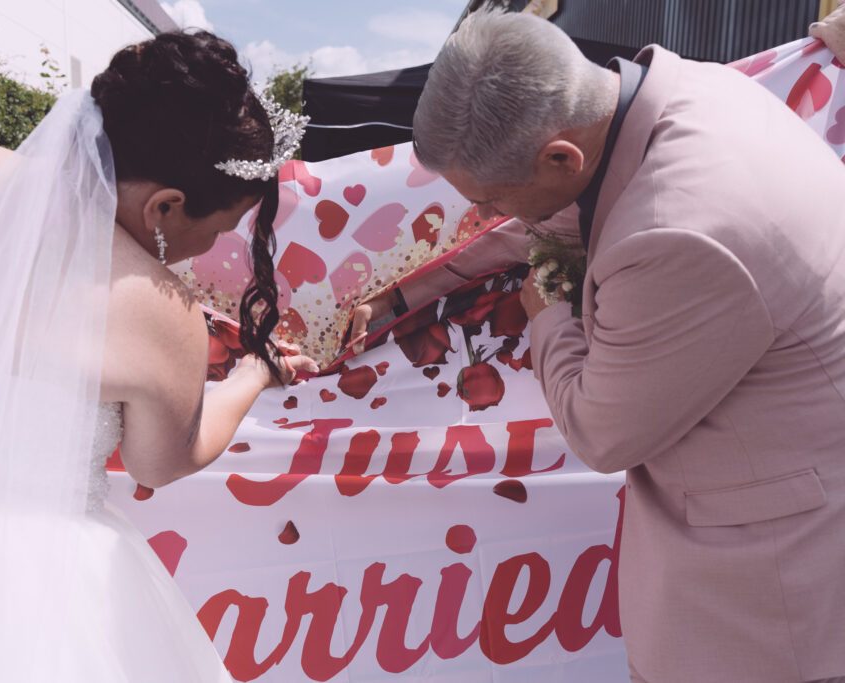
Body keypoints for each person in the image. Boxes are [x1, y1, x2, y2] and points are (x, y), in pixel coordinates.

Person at [353, 9, 845, 683]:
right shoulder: (687, 94)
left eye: (494, 200)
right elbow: (551, 215)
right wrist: (404, 295)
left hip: (768, 609)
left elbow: (602, 430)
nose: (494, 218)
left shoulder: (677, 232)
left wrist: (546, 310)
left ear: (561, 156)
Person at [0, 30, 316, 681]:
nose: (207, 250)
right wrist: (256, 372)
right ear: (165, 205)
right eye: (216, 230)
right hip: (14, 617)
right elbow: (165, 460)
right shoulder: (159, 310)